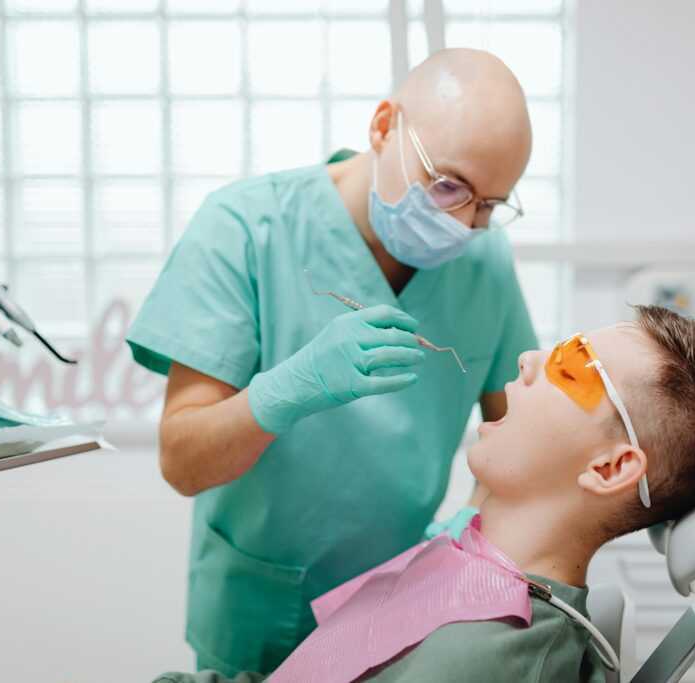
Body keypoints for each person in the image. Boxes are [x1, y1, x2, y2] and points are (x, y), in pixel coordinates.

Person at [126, 48, 536, 675]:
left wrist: (466, 531)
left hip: (407, 605)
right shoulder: (245, 227)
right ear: (382, 126)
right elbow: (182, 460)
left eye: (487, 206)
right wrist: (283, 392)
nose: (462, 223)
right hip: (261, 604)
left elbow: (522, 438)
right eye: (448, 185)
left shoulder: (485, 260)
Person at [152, 305, 695, 683]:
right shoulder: (467, 573)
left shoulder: (483, 660)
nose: (530, 358)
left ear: (610, 467)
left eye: (572, 367)